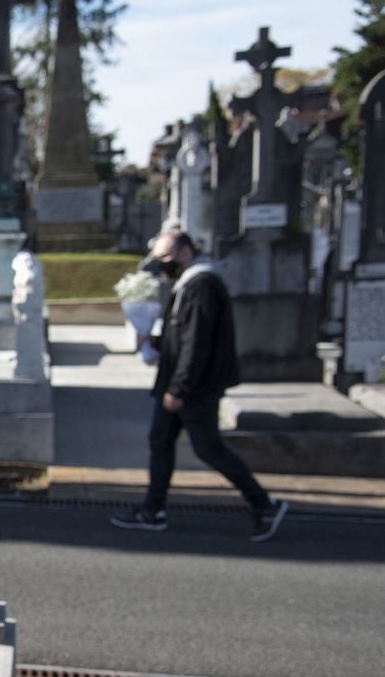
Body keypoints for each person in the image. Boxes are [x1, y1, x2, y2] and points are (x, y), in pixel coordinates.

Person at [111, 230, 289, 542]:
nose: (162, 266)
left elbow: (197, 343)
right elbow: (179, 335)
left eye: (165, 258)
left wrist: (179, 388)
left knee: (208, 448)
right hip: (179, 381)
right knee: (160, 441)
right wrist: (153, 342)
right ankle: (153, 510)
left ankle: (264, 504)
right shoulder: (189, 284)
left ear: (184, 252)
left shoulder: (202, 285)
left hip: (195, 387)